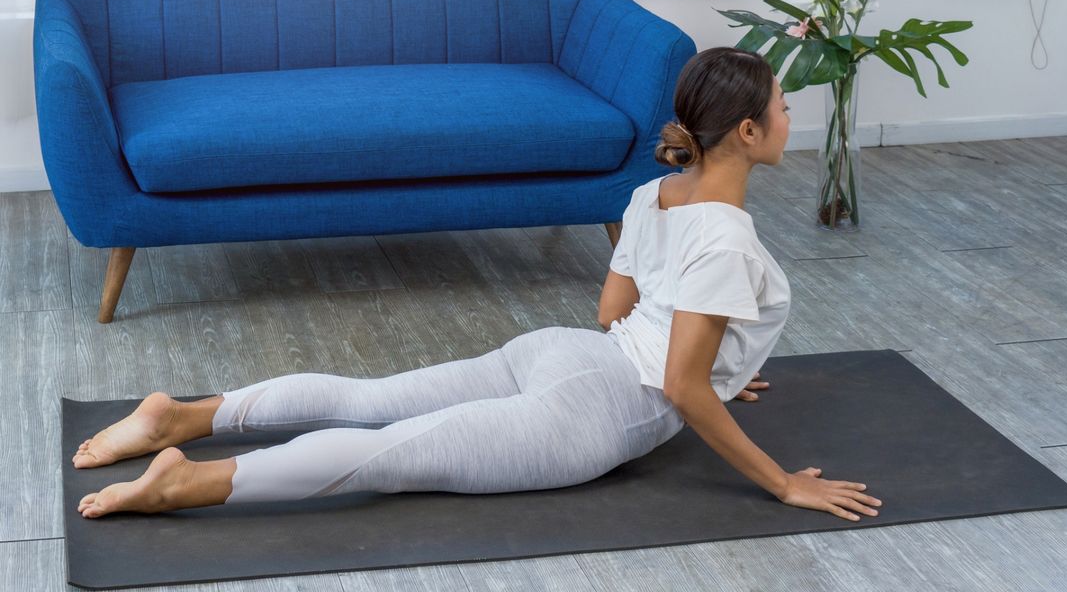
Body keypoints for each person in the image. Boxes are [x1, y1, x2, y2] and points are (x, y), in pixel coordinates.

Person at [72, 46, 883, 523]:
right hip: (599, 407)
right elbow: (678, 381)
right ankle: (186, 481)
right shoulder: (730, 239)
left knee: (369, 399)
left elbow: (615, 315)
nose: (787, 114)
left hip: (557, 354)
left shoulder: (653, 193)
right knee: (388, 455)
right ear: (746, 131)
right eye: (781, 105)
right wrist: (781, 482)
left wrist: (719, 368)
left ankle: (188, 413)